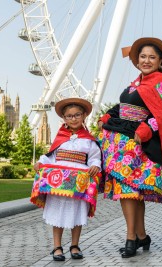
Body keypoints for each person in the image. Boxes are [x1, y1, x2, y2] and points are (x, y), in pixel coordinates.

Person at [97, 37, 162, 258]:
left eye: (151, 57)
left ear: (160, 61)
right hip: (121, 145)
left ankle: (131, 238)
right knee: (133, 193)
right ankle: (141, 236)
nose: (146, 60)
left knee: (129, 192)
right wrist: (108, 115)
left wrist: (145, 131)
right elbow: (124, 108)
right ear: (137, 60)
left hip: (139, 146)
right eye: (142, 56)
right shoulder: (136, 83)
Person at [30, 98, 102, 261]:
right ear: (63, 118)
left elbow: (95, 157)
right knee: (58, 214)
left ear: (84, 115)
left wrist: (95, 165)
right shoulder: (60, 138)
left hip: (78, 184)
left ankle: (75, 245)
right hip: (59, 184)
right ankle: (57, 246)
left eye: (77, 115)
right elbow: (50, 156)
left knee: (77, 213)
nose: (73, 118)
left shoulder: (89, 140)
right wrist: (41, 162)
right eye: (69, 116)